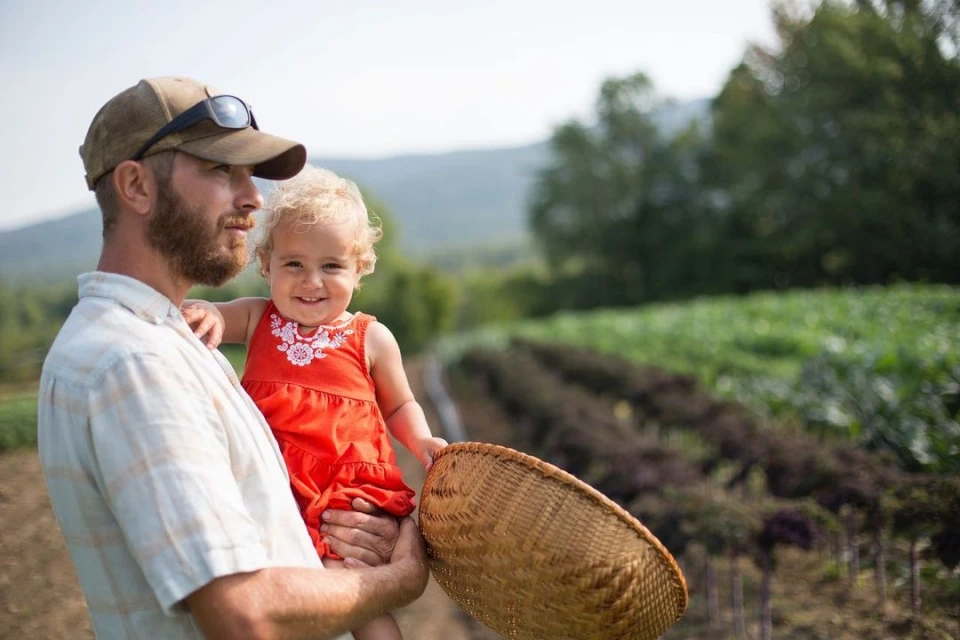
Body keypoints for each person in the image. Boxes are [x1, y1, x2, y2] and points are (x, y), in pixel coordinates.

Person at [37, 77, 428, 640]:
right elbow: (246, 614)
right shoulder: (134, 365)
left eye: (249, 174)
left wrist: (346, 536)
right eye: (222, 170)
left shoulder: (173, 338)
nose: (254, 198)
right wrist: (399, 579)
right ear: (136, 186)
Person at [182, 164, 448, 640]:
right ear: (266, 264)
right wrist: (208, 313)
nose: (311, 281)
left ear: (358, 268)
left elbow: (399, 405)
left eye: (331, 266)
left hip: (342, 487)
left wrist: (421, 439)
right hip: (277, 481)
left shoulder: (370, 338)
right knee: (280, 588)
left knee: (350, 589)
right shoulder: (258, 318)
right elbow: (216, 315)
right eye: (294, 265)